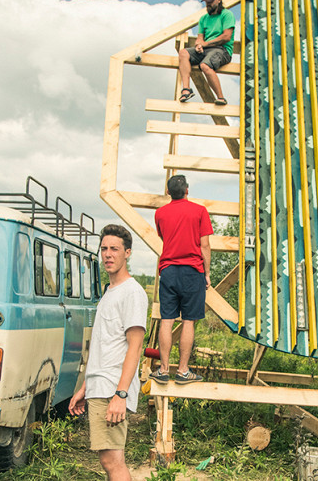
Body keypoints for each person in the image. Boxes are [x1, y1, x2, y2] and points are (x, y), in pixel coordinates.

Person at [69, 224, 148, 481]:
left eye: (114, 249)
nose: (108, 254)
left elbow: (135, 347)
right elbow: (103, 347)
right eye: (104, 249)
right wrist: (85, 387)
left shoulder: (132, 292)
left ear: (128, 253)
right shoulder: (109, 292)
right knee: (110, 460)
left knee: (112, 461)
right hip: (100, 385)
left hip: (113, 387)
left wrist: (121, 394)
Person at [150, 175, 212, 385]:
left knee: (167, 320)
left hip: (168, 271)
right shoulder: (200, 211)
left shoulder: (160, 213)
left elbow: (165, 237)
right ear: (187, 190)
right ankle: (183, 371)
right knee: (188, 321)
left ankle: (163, 370)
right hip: (192, 271)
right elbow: (205, 245)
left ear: (168, 192)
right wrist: (206, 273)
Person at [177, 0, 235, 105]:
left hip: (222, 50)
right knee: (183, 53)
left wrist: (206, 44)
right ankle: (186, 90)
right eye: (206, 2)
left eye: (210, 1)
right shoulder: (204, 18)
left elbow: (226, 37)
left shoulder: (227, 15)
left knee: (204, 65)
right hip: (206, 50)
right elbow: (200, 37)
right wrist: (199, 45)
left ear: (219, 0)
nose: (208, 4)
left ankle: (220, 98)